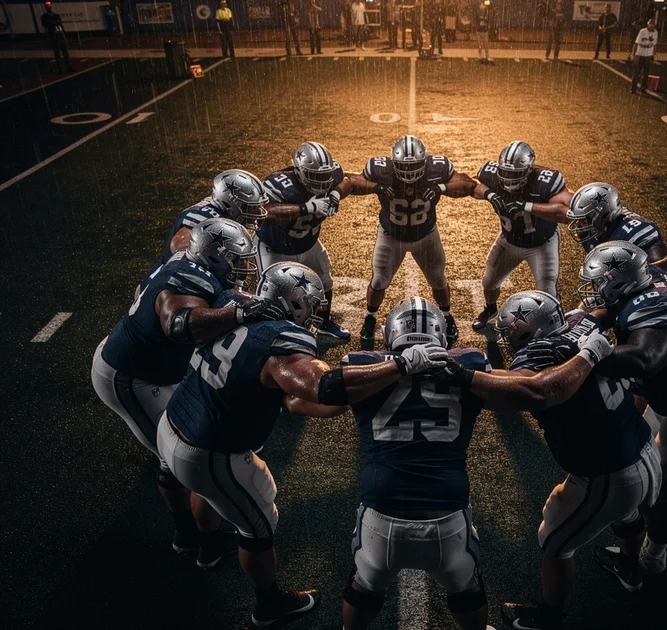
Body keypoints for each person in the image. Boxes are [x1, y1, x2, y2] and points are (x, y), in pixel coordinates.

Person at [158, 263, 449, 626]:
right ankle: (269, 605)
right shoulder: (283, 343)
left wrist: (353, 400)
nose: (313, 312)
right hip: (209, 450)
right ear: (294, 303)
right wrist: (400, 366)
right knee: (258, 527)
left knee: (218, 491)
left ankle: (207, 546)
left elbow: (290, 399)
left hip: (174, 422)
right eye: (309, 304)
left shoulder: (231, 303)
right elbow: (322, 387)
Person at [535, 242, 667, 584]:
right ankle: (631, 534)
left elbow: (645, 359)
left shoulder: (652, 312)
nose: (593, 291)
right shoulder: (649, 279)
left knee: (663, 490)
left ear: (620, 282)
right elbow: (623, 309)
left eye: (599, 283)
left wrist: (584, 352)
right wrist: (585, 321)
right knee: (635, 455)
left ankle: (652, 560)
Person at [91, 218, 269, 563]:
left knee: (185, 447)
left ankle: (198, 532)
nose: (242, 267)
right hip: (130, 377)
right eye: (235, 259)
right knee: (177, 457)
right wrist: (238, 314)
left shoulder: (189, 260)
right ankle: (193, 536)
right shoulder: (189, 277)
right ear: (213, 257)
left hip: (153, 367)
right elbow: (177, 323)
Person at [485, 293, 661, 628]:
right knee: (628, 513)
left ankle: (548, 618)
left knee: (554, 541)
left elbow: (520, 389)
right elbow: (600, 312)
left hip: (608, 474)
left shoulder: (536, 355)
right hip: (645, 451)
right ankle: (629, 567)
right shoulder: (583, 324)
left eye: (512, 333)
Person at [340, 298, 491, 630]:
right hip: (447, 518)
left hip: (381, 517)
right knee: (468, 588)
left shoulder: (360, 366)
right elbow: (510, 394)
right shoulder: (471, 362)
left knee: (363, 584)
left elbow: (320, 396)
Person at [349, 135, 476, 346]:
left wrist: (441, 187)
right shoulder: (380, 169)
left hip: (426, 235)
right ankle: (370, 317)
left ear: (425, 162)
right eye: (403, 167)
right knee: (379, 280)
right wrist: (375, 187)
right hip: (391, 236)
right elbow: (352, 182)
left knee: (438, 279)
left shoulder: (438, 168)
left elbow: (468, 184)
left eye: (415, 166)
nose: (409, 172)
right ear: (393, 163)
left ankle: (447, 315)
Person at [471, 141, 573, 331]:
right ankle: (490, 310)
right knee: (489, 281)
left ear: (528, 171)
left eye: (515, 174)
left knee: (547, 292)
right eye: (506, 173)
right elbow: (473, 186)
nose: (509, 179)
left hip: (541, 244)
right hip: (509, 240)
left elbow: (566, 213)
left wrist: (526, 206)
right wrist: (491, 195)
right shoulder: (491, 174)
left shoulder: (545, 182)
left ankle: (557, 328)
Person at [257, 142, 352, 341]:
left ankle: (324, 323)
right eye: (315, 176)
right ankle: (270, 334)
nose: (322, 182)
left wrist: (336, 194)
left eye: (325, 176)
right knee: (272, 293)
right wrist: (304, 209)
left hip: (308, 243)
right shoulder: (281, 184)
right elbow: (263, 212)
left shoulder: (331, 175)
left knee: (325, 281)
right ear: (299, 172)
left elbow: (348, 181)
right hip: (274, 246)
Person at [566, 182, 667, 281]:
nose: (579, 225)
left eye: (584, 219)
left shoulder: (633, 232)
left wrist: (627, 280)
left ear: (603, 215)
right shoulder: (593, 229)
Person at [157, 169, 268, 269]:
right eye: (250, 207)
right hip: (169, 284)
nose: (258, 212)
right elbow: (180, 244)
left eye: (258, 206)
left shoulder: (222, 207)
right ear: (231, 202)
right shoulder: (204, 216)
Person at [40, 2, 72, 72]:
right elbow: (45, 25)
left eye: (50, 7)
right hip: (53, 36)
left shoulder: (56, 16)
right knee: (57, 53)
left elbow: (60, 24)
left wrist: (64, 34)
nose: (49, 9)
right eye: (48, 7)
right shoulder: (44, 17)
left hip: (59, 34)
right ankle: (60, 67)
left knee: (65, 52)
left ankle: (68, 66)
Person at [630, 18, 657, 95]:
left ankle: (643, 88)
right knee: (636, 73)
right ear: (648, 24)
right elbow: (636, 43)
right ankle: (633, 88)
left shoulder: (655, 33)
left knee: (645, 73)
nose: (651, 26)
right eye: (650, 24)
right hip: (640, 54)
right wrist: (633, 54)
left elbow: (654, 45)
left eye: (653, 24)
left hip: (648, 55)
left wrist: (653, 55)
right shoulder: (642, 31)